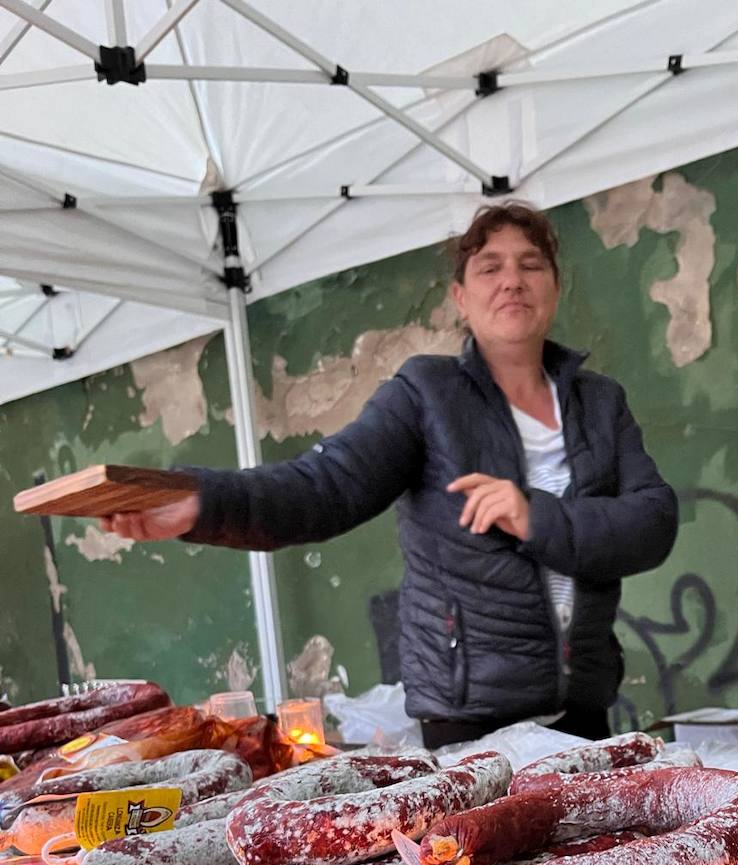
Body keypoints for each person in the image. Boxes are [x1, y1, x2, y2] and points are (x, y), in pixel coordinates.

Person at [103, 203, 678, 750]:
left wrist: (534, 514)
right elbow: (324, 487)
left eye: (531, 264)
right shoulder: (428, 394)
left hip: (585, 706)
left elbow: (653, 521)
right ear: (460, 297)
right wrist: (202, 502)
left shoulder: (599, 402)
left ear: (555, 286)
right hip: (469, 721)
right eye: (489, 267)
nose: (513, 280)